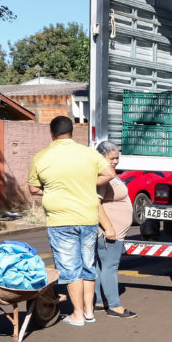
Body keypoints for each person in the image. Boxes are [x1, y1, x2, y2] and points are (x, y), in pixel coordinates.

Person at [28, 116, 116, 326]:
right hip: (87, 218)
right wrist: (86, 183)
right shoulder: (88, 153)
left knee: (70, 268)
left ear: (52, 133)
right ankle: (88, 312)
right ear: (73, 132)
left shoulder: (42, 156)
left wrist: (56, 189)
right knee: (88, 265)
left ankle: (76, 314)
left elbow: (33, 188)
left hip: (61, 221)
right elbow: (109, 173)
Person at [93, 141, 138, 319]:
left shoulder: (109, 174)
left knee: (100, 267)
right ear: (101, 157)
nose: (115, 161)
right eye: (112, 158)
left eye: (117, 157)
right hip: (110, 232)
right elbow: (96, 203)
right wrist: (109, 228)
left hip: (111, 231)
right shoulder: (102, 176)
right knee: (110, 267)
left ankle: (98, 301)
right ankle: (114, 306)